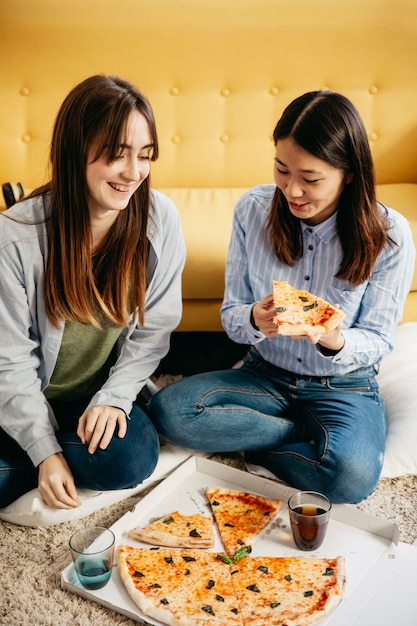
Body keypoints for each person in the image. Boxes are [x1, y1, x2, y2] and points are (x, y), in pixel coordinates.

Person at [148, 90, 415, 504]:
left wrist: (335, 339)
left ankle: (253, 435)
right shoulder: (252, 210)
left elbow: (379, 339)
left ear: (348, 173)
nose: (292, 190)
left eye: (310, 179)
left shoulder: (391, 235)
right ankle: (297, 434)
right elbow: (232, 316)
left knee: (350, 478)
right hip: (265, 373)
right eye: (281, 169)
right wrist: (255, 318)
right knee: (170, 411)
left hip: (343, 386)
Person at [0, 75, 185, 510]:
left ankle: (29, 464)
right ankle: (46, 455)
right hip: (24, 393)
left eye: (144, 156)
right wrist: (45, 451)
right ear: (75, 152)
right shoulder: (14, 239)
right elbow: (9, 362)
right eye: (117, 156)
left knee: (131, 461)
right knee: (51, 455)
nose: (134, 173)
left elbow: (152, 333)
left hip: (95, 395)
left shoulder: (160, 221)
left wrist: (116, 401)